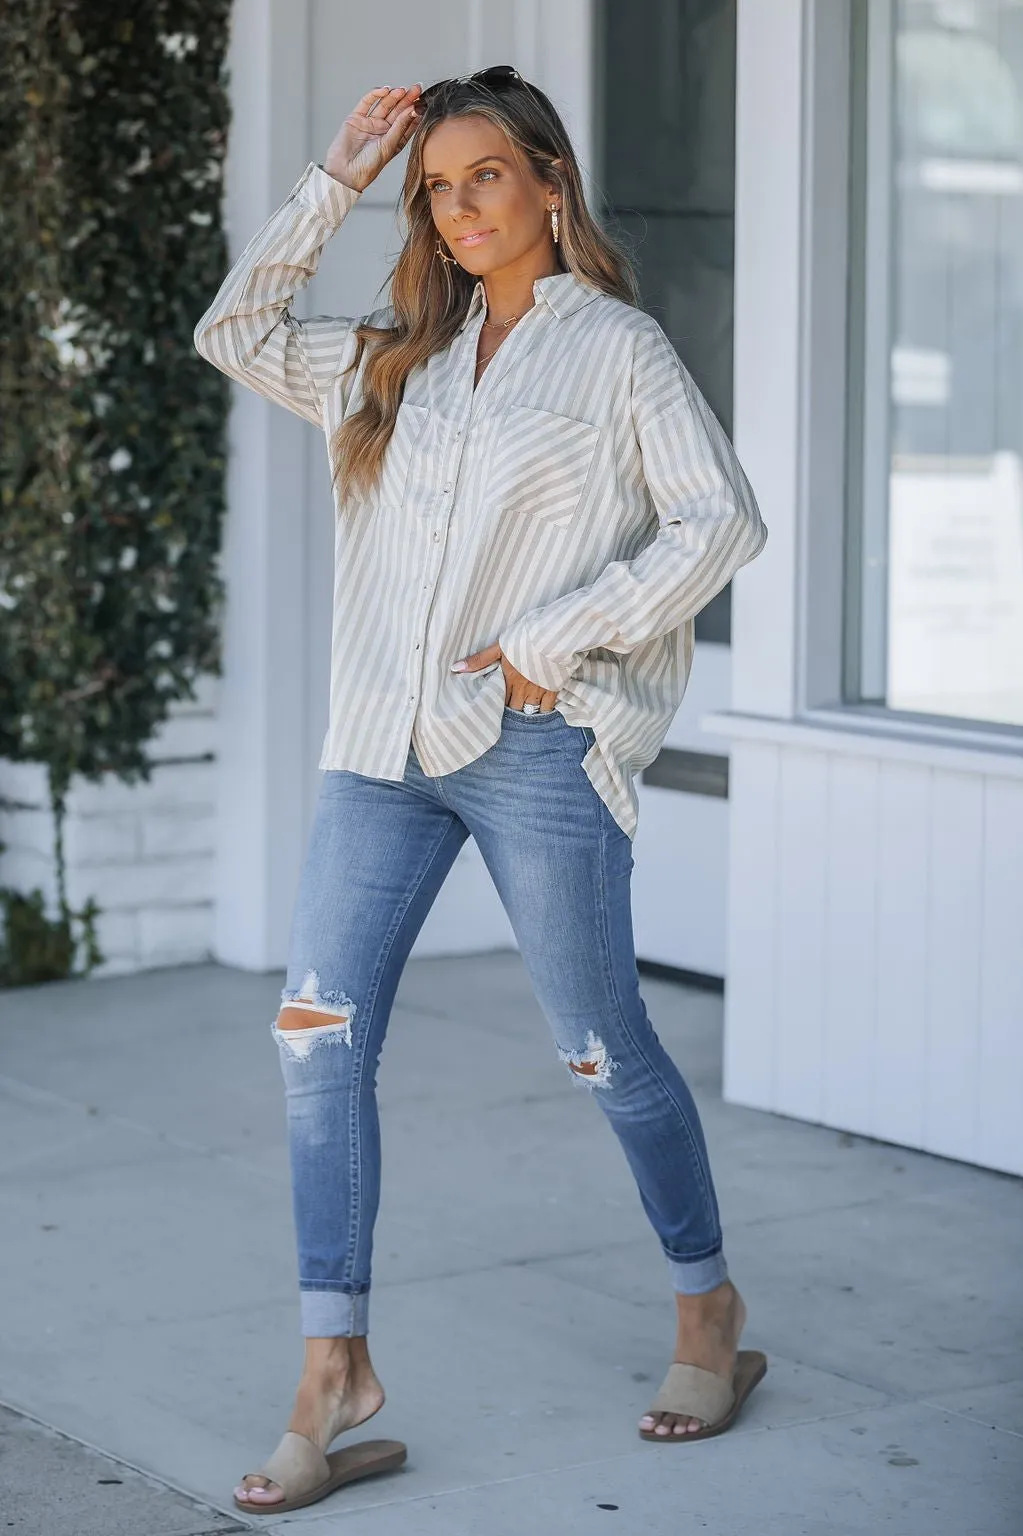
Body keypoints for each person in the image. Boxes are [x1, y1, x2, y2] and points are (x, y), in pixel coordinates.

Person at [195, 65, 768, 1517]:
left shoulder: (621, 354)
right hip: (376, 747)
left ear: (550, 184)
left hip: (534, 748)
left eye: (484, 178)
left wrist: (551, 641)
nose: (457, 211)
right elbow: (234, 328)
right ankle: (335, 1370)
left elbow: (723, 522)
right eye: (436, 189)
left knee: (601, 1047)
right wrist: (334, 176)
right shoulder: (395, 361)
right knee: (316, 1035)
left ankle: (709, 1309)